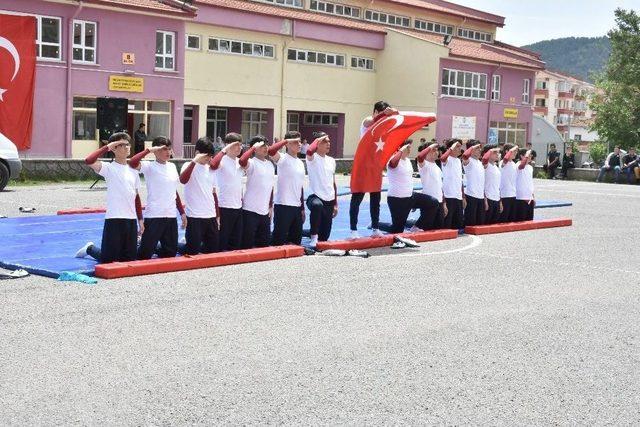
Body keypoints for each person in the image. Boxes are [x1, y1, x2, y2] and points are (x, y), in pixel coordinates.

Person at [75, 132, 143, 263]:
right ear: (114, 148)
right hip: (114, 218)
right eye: (121, 145)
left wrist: (140, 219)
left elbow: (136, 197)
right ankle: (90, 248)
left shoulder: (133, 170)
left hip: (130, 219)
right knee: (109, 260)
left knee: (129, 259)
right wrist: (107, 147)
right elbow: (89, 160)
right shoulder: (108, 168)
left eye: (127, 144)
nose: (126, 147)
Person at [129, 136, 186, 260]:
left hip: (170, 216)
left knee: (170, 254)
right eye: (164, 149)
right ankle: (90, 249)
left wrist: (182, 212)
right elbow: (132, 162)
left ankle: (152, 245)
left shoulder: (172, 167)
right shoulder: (149, 166)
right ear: (155, 151)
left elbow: (173, 192)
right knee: (143, 256)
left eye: (169, 149)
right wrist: (148, 150)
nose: (168, 152)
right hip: (154, 215)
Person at [349, 100, 398, 239]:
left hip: (375, 164)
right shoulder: (368, 121)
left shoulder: (384, 127)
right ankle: (353, 230)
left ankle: (375, 228)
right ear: (375, 112)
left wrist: (392, 113)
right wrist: (383, 114)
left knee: (375, 198)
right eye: (381, 114)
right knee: (357, 197)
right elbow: (370, 121)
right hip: (363, 164)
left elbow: (399, 116)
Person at [385, 140, 439, 233]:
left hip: (410, 196)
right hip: (397, 199)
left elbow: (408, 180)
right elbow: (393, 164)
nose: (410, 149)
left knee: (433, 202)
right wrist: (401, 150)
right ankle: (377, 224)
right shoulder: (392, 159)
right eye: (408, 147)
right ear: (400, 148)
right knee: (397, 229)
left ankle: (417, 226)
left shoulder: (408, 161)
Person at [178, 137, 219, 255]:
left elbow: (213, 193)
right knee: (192, 250)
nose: (209, 159)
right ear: (197, 153)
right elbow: (183, 180)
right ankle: (177, 245)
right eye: (206, 156)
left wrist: (217, 215)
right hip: (195, 216)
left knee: (213, 250)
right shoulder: (188, 165)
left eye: (211, 156)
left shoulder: (210, 170)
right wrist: (194, 161)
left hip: (210, 215)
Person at [269, 131, 306, 246]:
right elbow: (271, 151)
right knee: (278, 240)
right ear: (287, 144)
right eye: (295, 142)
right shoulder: (282, 158)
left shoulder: (300, 163)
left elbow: (300, 187)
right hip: (283, 205)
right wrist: (285, 140)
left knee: (296, 241)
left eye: (300, 141)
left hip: (296, 206)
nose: (299, 144)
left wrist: (302, 208)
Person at [239, 135, 275, 249]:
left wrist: (270, 205)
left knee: (264, 244)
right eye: (261, 146)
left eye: (266, 145)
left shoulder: (270, 164)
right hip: (250, 210)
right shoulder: (251, 162)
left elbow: (270, 187)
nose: (265, 148)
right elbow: (242, 161)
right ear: (254, 148)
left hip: (264, 211)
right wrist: (252, 149)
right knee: (247, 243)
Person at [210, 132, 244, 251]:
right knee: (222, 240)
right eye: (236, 145)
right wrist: (224, 150)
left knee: (236, 241)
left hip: (238, 207)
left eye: (241, 145)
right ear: (227, 146)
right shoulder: (222, 161)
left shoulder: (240, 162)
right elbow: (213, 164)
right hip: (224, 206)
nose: (239, 147)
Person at [305, 132, 337, 247]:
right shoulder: (312, 158)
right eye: (324, 141)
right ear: (317, 144)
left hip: (329, 199)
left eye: (328, 141)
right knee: (317, 206)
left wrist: (335, 204)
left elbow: (333, 183)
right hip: (315, 197)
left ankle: (306, 232)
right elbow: (309, 150)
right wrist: (319, 139)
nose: (328, 143)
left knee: (324, 236)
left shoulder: (332, 160)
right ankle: (313, 236)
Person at [416, 142, 446, 229]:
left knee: (439, 227)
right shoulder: (424, 164)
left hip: (439, 202)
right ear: (427, 151)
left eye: (437, 150)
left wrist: (444, 203)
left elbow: (440, 187)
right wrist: (430, 146)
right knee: (426, 228)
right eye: (433, 150)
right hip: (429, 202)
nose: (436, 152)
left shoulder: (437, 167)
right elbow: (420, 157)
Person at [440, 139, 465, 229]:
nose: (459, 149)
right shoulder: (447, 159)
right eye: (457, 147)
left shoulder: (458, 161)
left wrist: (463, 196)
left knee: (458, 224)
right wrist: (451, 148)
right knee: (447, 224)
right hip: (448, 196)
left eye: (460, 147)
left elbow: (460, 180)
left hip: (458, 196)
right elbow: (442, 158)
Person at [461, 140, 485, 226]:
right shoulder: (468, 161)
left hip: (480, 197)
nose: (480, 150)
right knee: (470, 224)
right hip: (471, 196)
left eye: (480, 148)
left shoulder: (480, 163)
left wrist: (484, 197)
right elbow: (464, 156)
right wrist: (472, 148)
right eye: (477, 148)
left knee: (480, 224)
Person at [482, 145, 502, 224]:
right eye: (495, 152)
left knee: (494, 225)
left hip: (496, 199)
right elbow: (484, 159)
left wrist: (500, 202)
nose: (497, 154)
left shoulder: (496, 167)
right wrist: (485, 199)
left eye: (498, 152)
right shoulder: (485, 165)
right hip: (488, 198)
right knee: (486, 224)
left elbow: (498, 186)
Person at [499, 144, 519, 222]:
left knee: (511, 220)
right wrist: (513, 149)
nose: (515, 153)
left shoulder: (514, 164)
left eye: (516, 151)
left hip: (513, 195)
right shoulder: (502, 163)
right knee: (503, 219)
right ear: (507, 152)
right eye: (514, 151)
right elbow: (505, 159)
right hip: (505, 195)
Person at [515, 149, 535, 221]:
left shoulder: (530, 167)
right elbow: (521, 166)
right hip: (520, 198)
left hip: (529, 198)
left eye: (530, 155)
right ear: (521, 156)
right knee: (520, 221)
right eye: (528, 155)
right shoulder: (517, 165)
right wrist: (526, 156)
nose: (530, 157)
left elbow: (530, 183)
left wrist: (533, 197)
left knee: (529, 221)